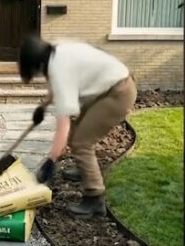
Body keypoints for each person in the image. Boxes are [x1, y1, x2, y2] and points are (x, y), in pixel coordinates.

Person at [19, 35, 136, 217]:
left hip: (118, 93)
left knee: (82, 143)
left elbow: (63, 126)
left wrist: (51, 160)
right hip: (106, 87)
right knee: (77, 135)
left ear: (37, 64)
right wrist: (42, 107)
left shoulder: (59, 70)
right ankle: (84, 170)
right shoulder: (56, 49)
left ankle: (94, 198)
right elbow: (56, 85)